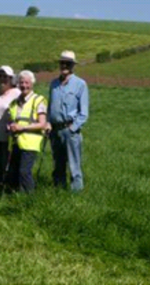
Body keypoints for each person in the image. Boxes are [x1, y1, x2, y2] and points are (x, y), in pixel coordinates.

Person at [48, 50, 89, 192]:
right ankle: (59, 190)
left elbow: (83, 113)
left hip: (70, 131)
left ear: (73, 66)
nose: (64, 65)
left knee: (74, 165)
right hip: (54, 130)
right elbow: (50, 106)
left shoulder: (80, 84)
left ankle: (75, 195)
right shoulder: (53, 84)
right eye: (62, 63)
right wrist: (48, 123)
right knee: (58, 164)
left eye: (68, 63)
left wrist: (73, 128)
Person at [6, 70, 47, 193]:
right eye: (21, 82)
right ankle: (16, 197)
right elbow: (12, 120)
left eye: (27, 83)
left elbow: (42, 124)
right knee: (13, 171)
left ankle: (30, 199)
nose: (24, 85)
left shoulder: (38, 100)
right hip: (16, 142)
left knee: (24, 171)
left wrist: (22, 128)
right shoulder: (14, 103)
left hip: (30, 143)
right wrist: (10, 126)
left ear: (32, 84)